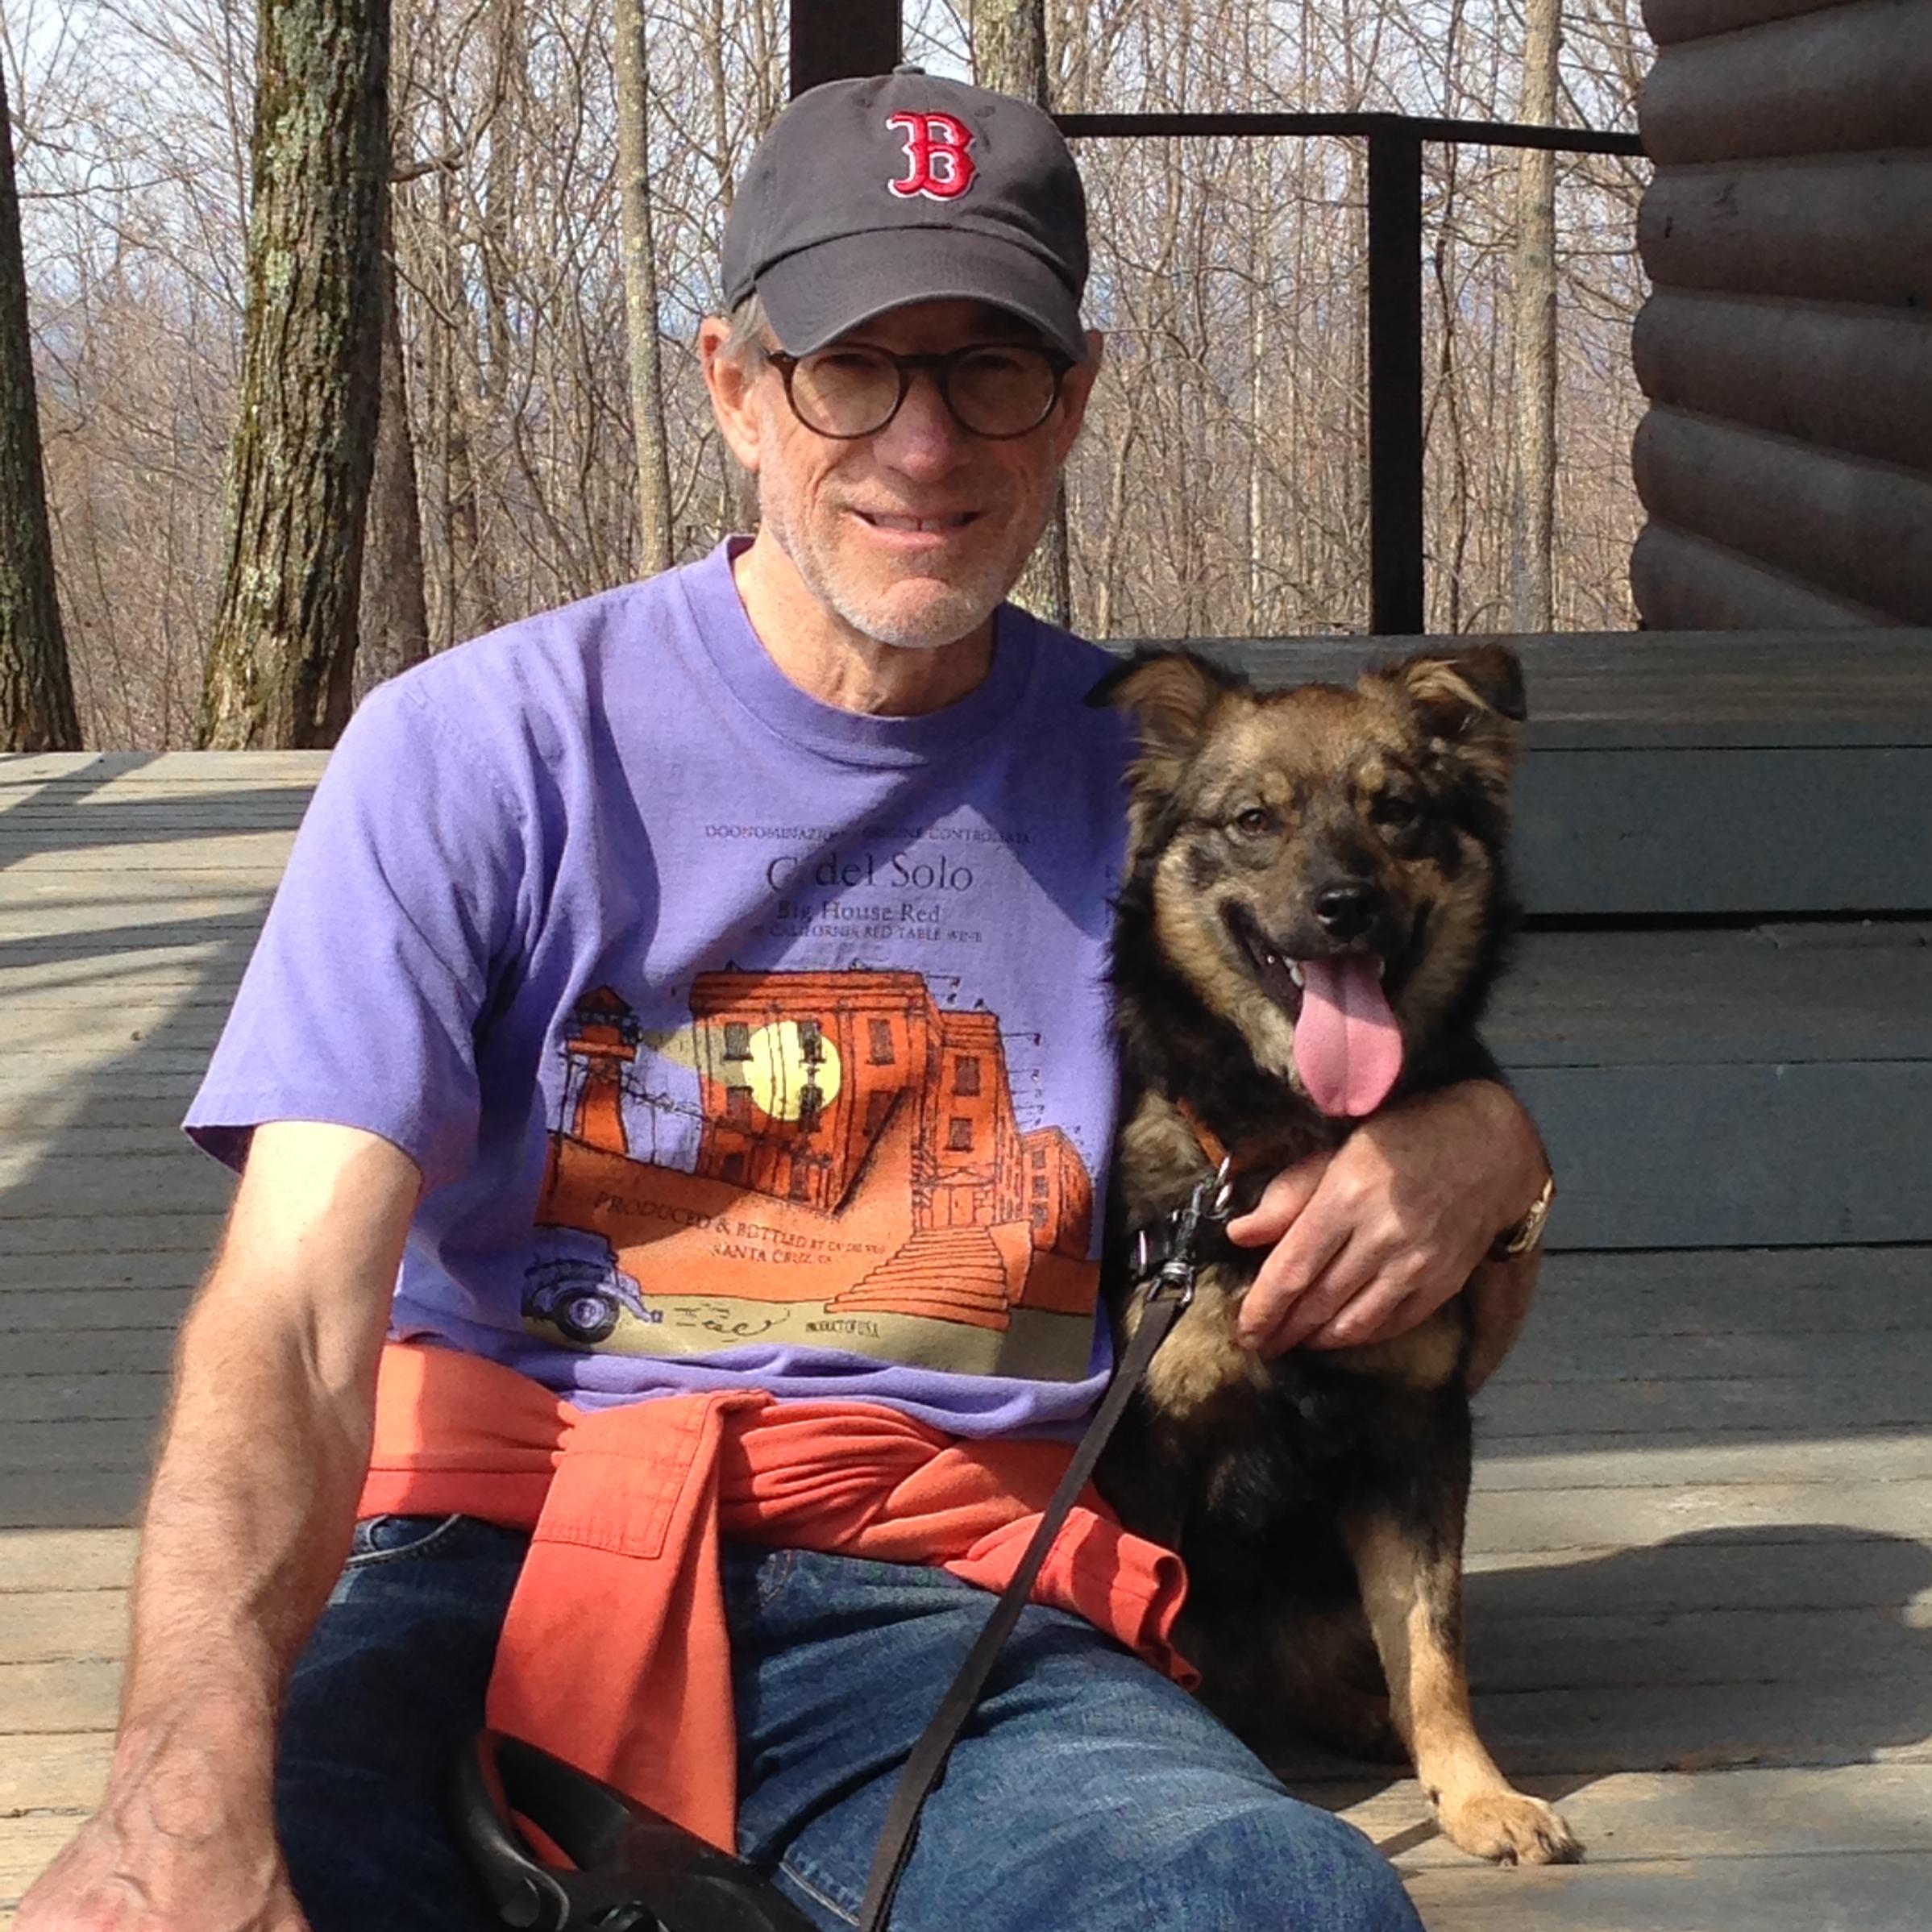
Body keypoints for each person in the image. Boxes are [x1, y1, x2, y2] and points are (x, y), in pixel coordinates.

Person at [20, 68, 1551, 1932]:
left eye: (988, 367)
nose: (923, 441)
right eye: (850, 366)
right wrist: (184, 1782)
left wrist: (1481, 1135)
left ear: (1069, 400)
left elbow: (1373, 1037)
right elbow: (289, 1307)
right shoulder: (480, 746)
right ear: (733, 386)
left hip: (946, 1577)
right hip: (484, 1556)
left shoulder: (1160, 788)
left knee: (1269, 1900)